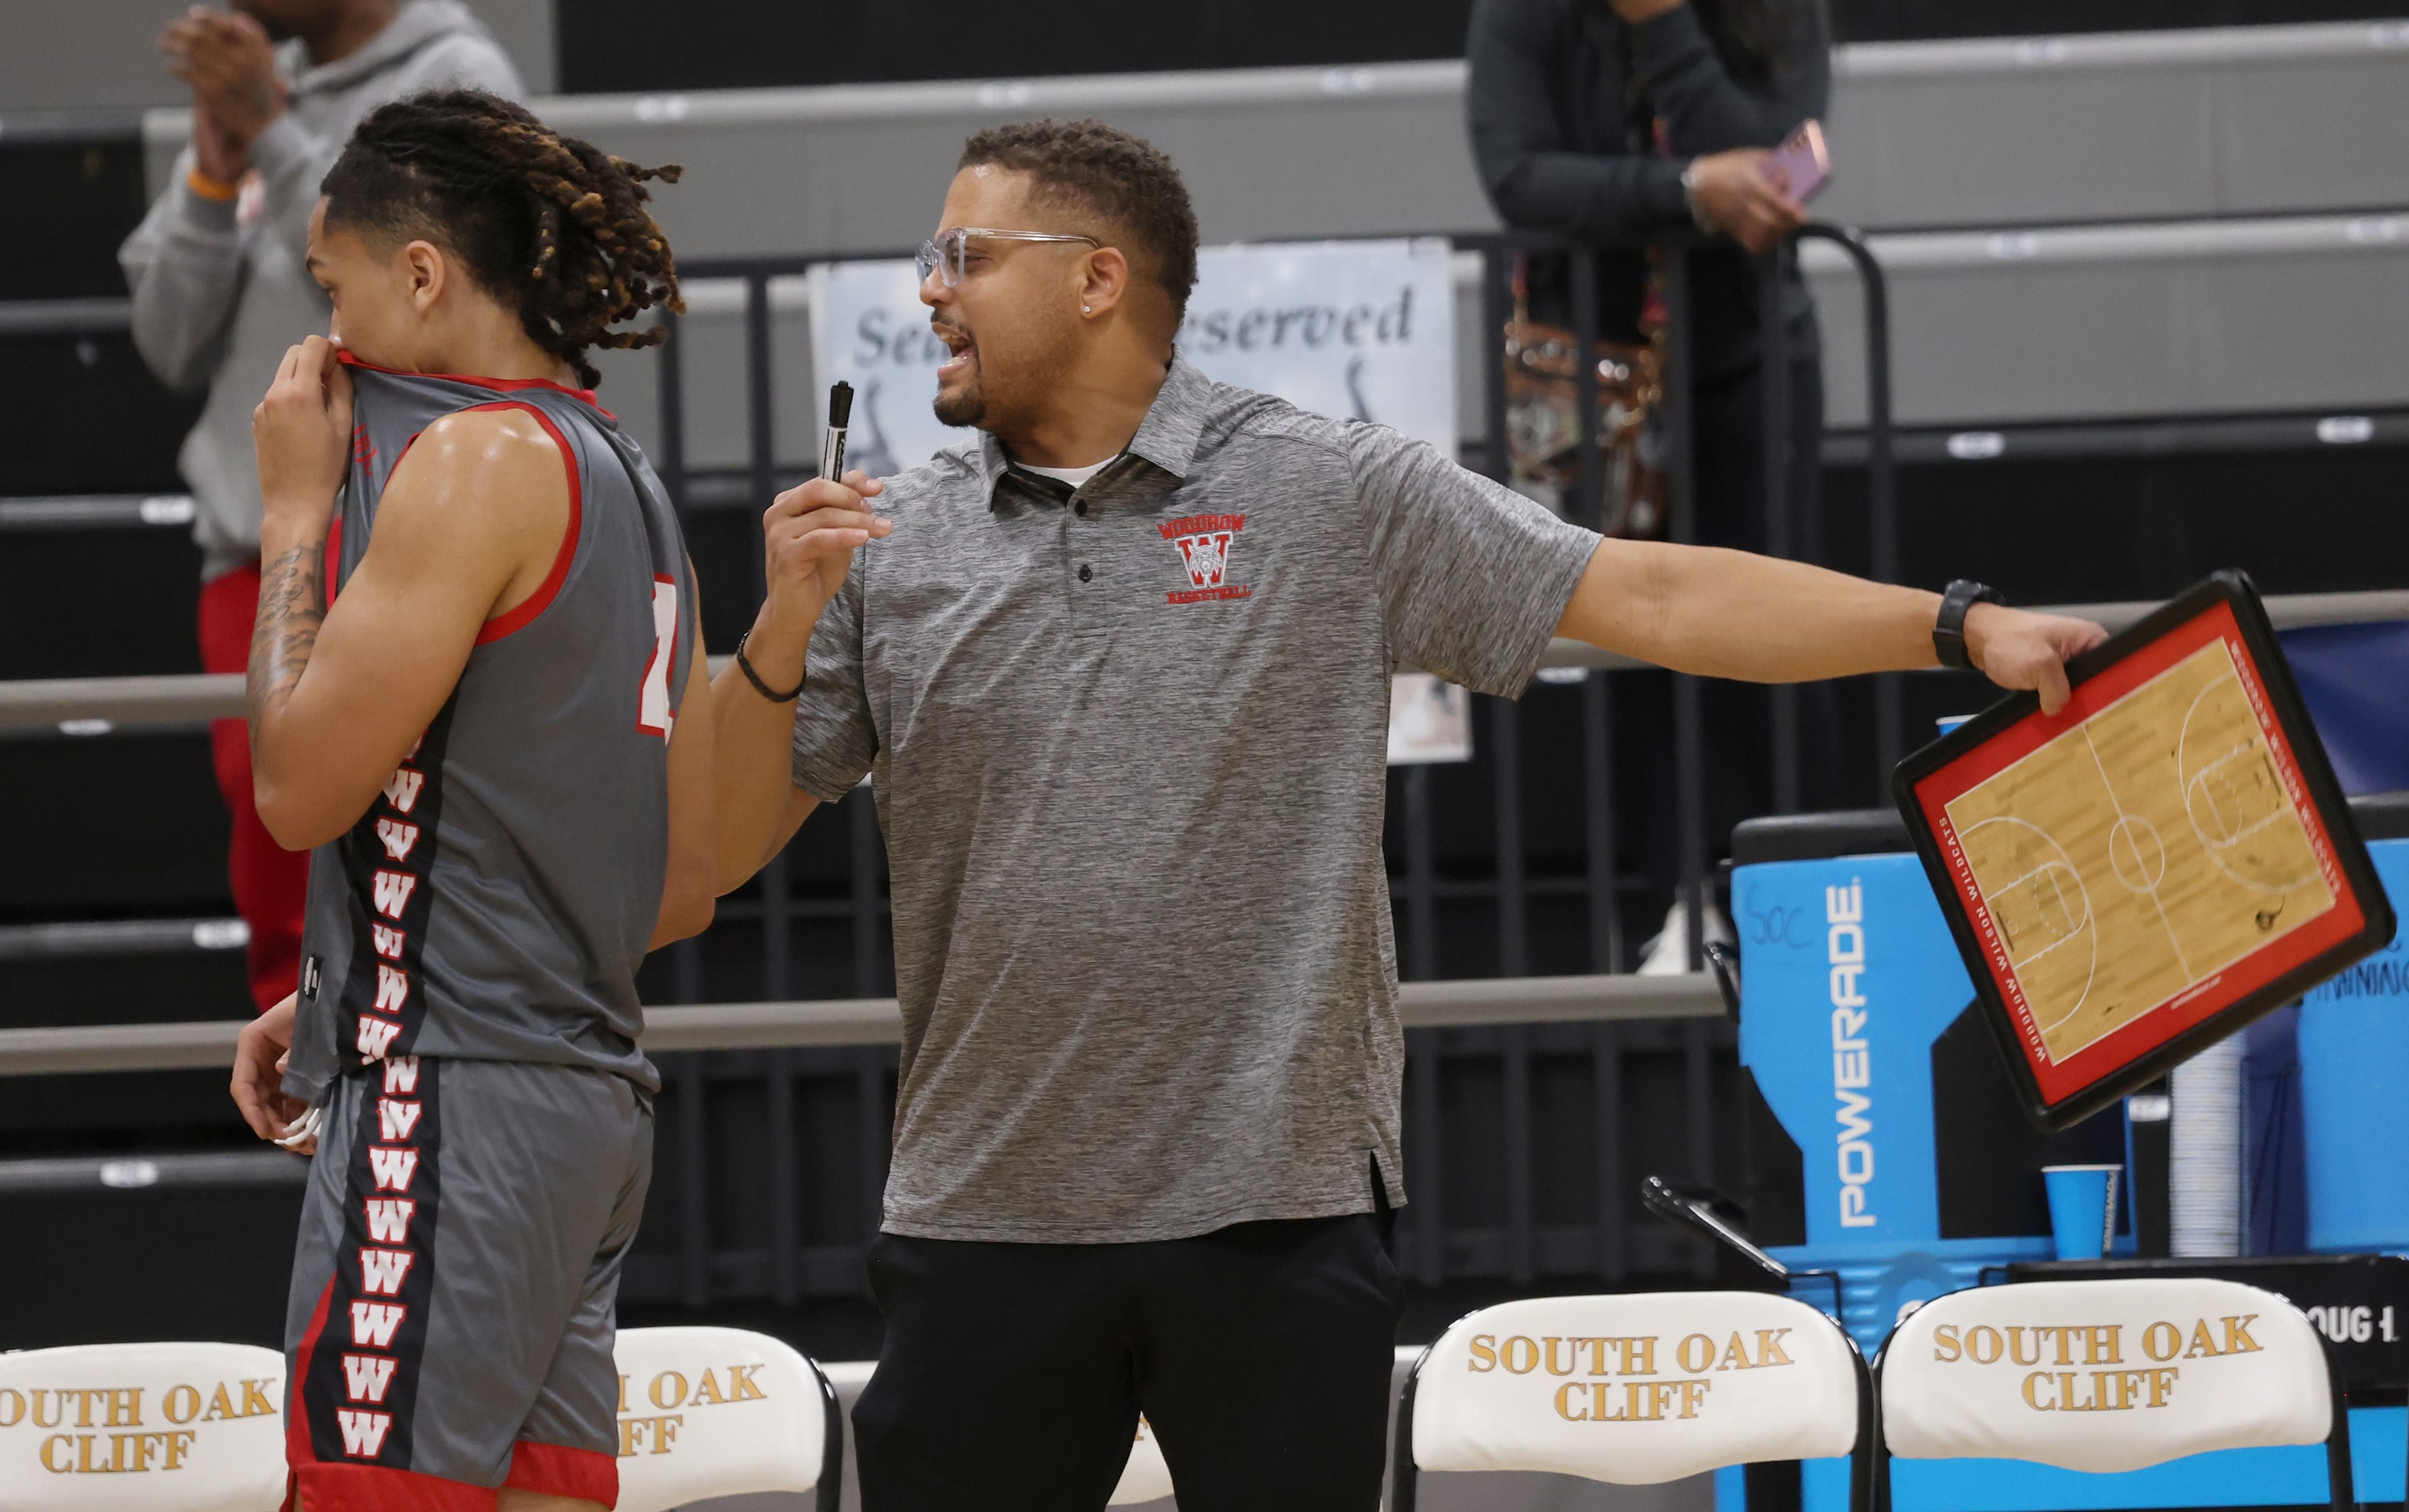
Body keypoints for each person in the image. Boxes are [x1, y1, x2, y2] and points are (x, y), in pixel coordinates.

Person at [709, 118, 2103, 1511]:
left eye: (963, 254)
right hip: (980, 1221)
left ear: (1095, 278)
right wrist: (776, 629)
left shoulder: (1323, 487)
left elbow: (1655, 595)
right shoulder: (881, 550)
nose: (929, 290)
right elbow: (708, 853)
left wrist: (1956, 625)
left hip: (1278, 1216)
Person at [225, 91, 709, 1510]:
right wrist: (350, 977)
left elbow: (302, 787)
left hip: (455, 1101)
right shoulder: (628, 473)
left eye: (335, 287)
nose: (328, 332)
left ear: (422, 275)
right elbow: (676, 882)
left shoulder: (469, 463)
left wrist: (293, 517)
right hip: (587, 1111)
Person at [120, 0, 521, 1015]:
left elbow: (427, 304)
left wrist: (278, 138)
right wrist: (216, 177)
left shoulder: (457, 72)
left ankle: (401, 1119)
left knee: (410, 875)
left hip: (407, 542)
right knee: (280, 892)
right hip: (257, 546)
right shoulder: (269, 92)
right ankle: (310, 1137)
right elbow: (166, 339)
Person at [1466, 0, 1835, 962]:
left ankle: (1791, 905)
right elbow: (1519, 177)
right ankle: (1674, 905)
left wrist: (1666, 24)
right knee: (1630, 635)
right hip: (1595, 373)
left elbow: (1774, 169)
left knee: (1778, 625)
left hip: (1748, 353)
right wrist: (1680, 190)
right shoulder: (1523, 12)